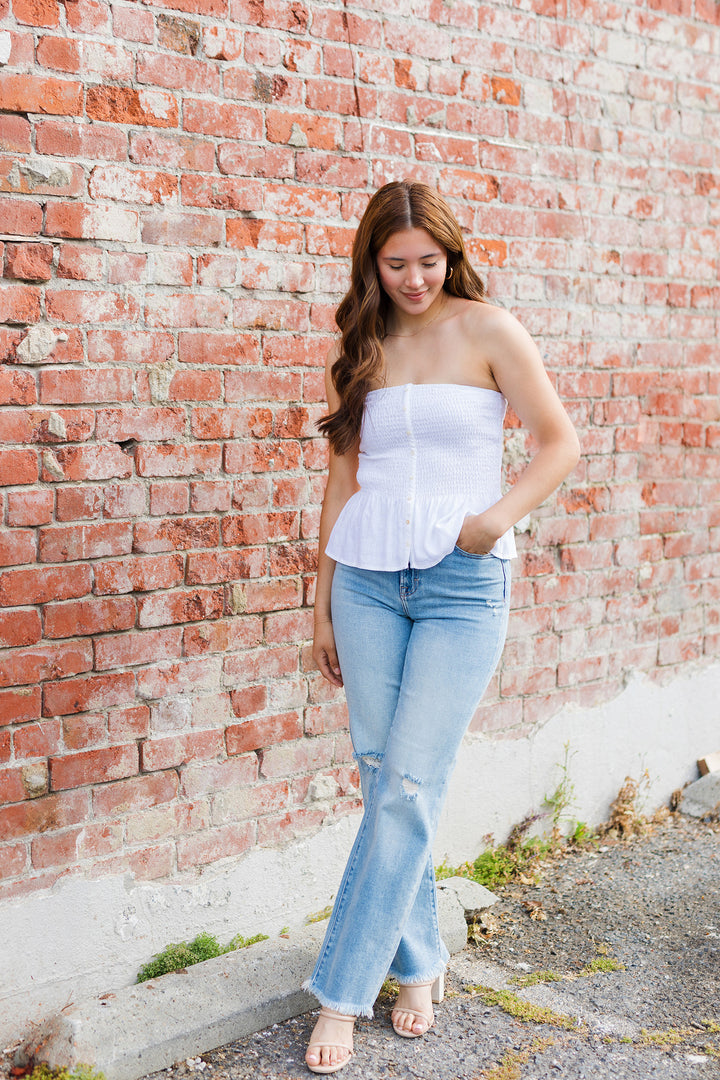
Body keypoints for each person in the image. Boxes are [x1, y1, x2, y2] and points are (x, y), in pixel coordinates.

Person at [303, 180, 580, 1074]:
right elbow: (341, 482)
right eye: (397, 264)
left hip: (464, 584)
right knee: (385, 778)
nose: (415, 279)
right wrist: (322, 599)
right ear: (371, 266)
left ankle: (342, 992)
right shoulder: (364, 346)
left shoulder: (490, 330)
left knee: (408, 784)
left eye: (429, 262)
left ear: (448, 256)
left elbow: (557, 442)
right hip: (370, 582)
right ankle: (420, 964)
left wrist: (497, 520)